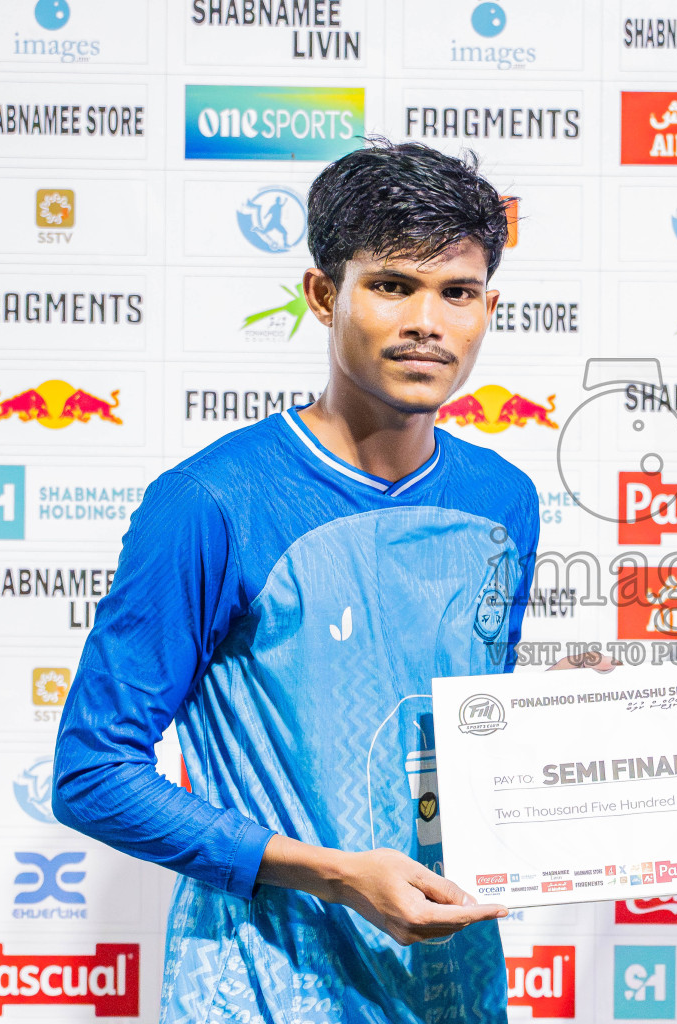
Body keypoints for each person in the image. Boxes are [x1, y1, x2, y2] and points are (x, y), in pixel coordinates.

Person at [53, 140, 535, 1024]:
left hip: (453, 985)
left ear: (488, 308)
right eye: (393, 285)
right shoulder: (209, 501)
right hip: (267, 988)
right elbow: (93, 773)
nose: (429, 321)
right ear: (324, 295)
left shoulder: (504, 500)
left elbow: (463, 739)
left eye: (457, 293)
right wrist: (337, 874)